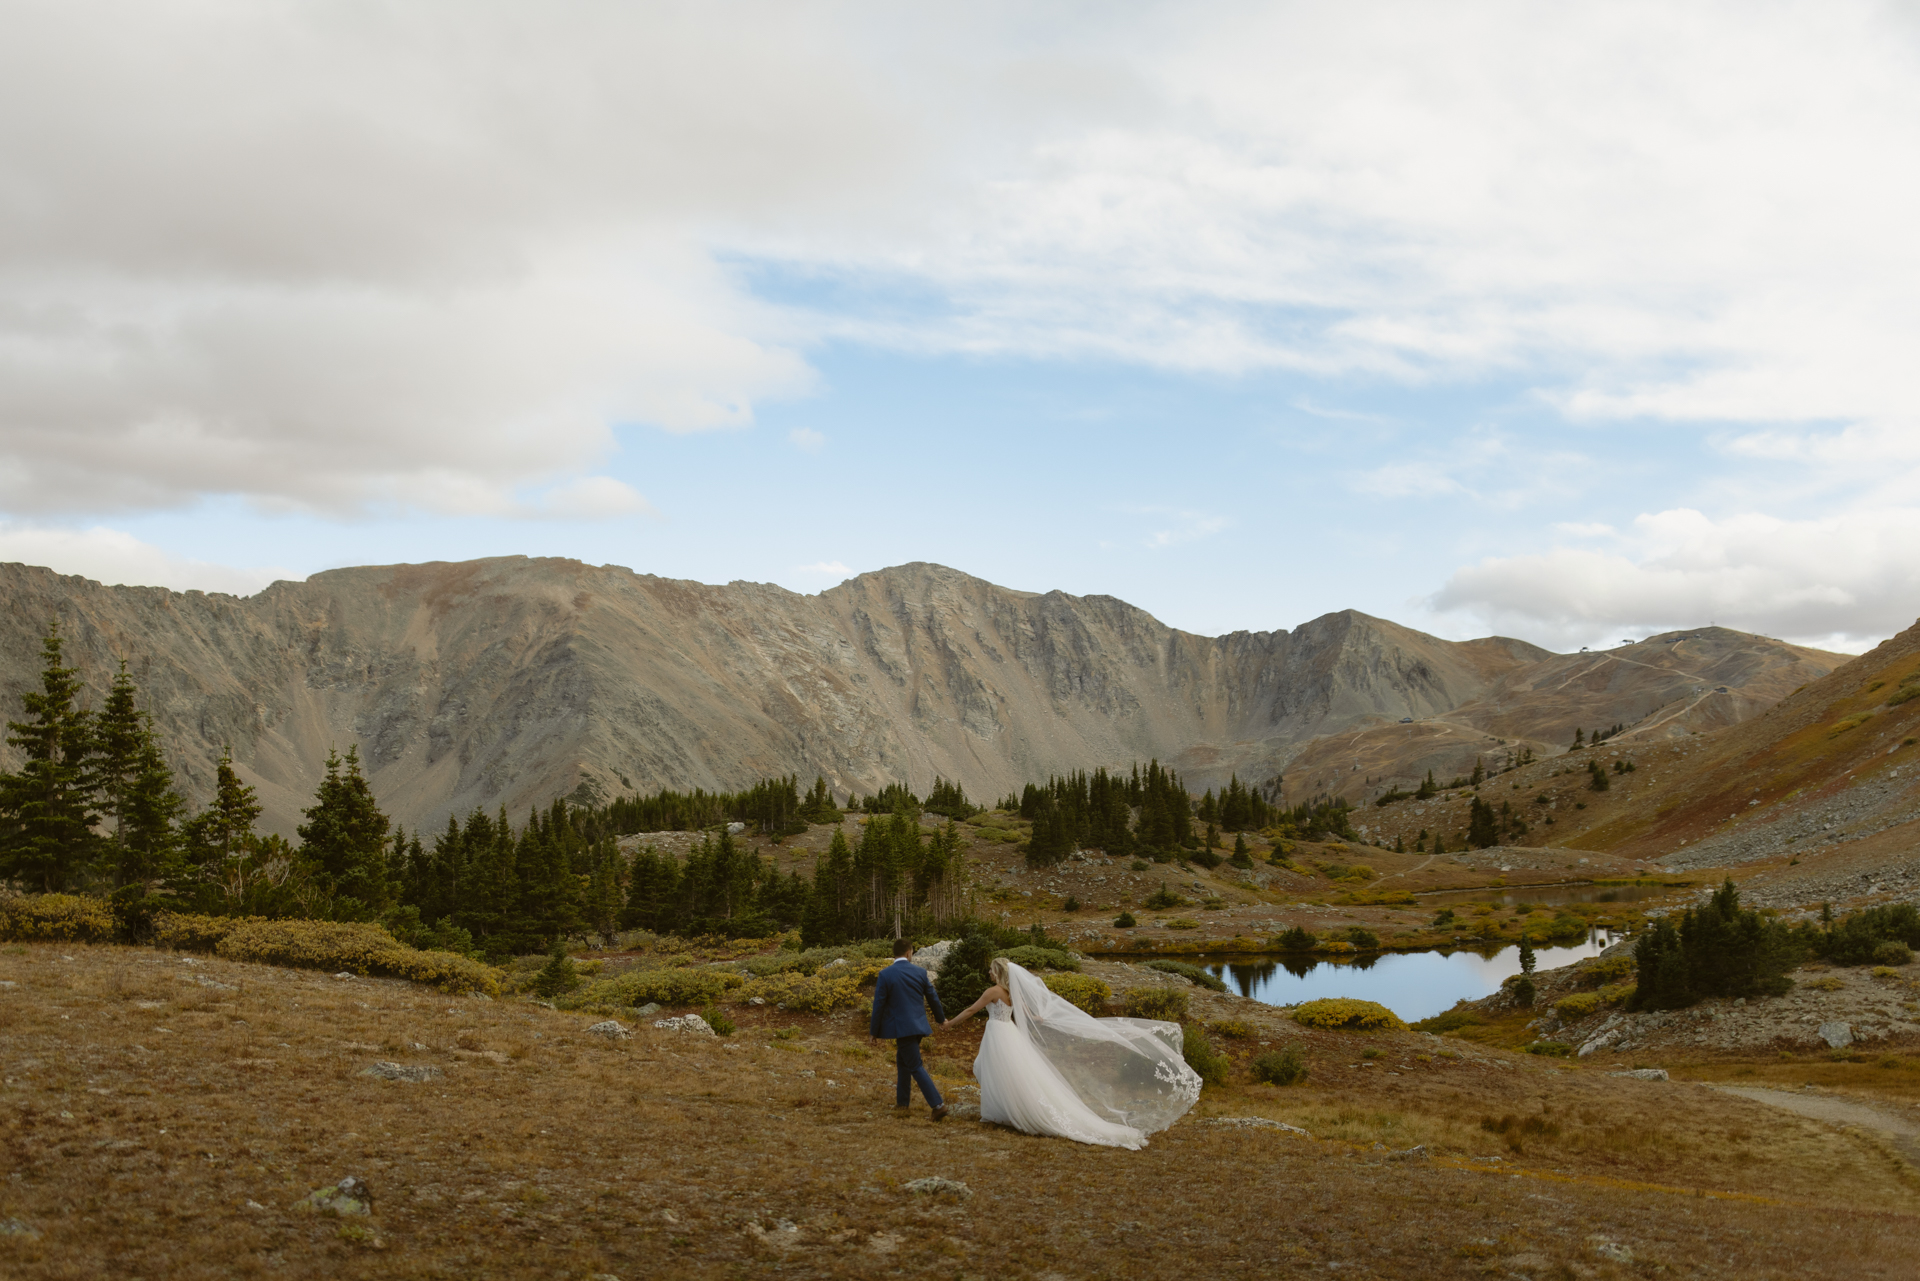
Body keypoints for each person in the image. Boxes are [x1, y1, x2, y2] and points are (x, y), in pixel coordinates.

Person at [950, 957, 1200, 1149]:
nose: (989, 973)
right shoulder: (1012, 993)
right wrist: (1043, 1019)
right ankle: (1001, 1111)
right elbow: (1029, 1015)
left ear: (999, 973)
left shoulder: (992, 992)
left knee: (997, 1071)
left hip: (998, 1033)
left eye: (992, 970)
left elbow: (972, 1010)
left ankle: (1004, 1112)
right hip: (1008, 1033)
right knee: (1008, 1073)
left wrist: (950, 1024)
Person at [869, 937, 949, 1120]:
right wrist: (941, 1019)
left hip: (902, 1028)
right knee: (903, 1062)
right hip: (918, 1026)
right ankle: (902, 1103)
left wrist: (873, 1031)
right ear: (908, 952)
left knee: (914, 1065)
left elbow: (878, 1005)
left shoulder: (885, 974)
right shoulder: (920, 972)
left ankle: (938, 1105)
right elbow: (933, 998)